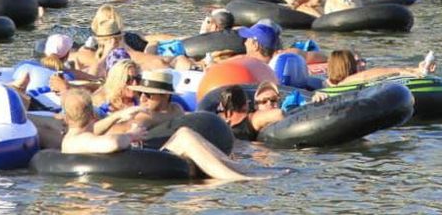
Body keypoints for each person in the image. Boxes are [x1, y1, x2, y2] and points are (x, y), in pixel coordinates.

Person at [59, 87, 256, 181]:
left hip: (136, 161)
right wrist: (131, 135)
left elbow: (93, 130)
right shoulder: (82, 141)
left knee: (183, 134)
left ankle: (240, 168)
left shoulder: (72, 137)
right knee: (185, 136)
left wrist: (117, 116)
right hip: (145, 164)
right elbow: (112, 144)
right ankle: (234, 176)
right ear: (93, 114)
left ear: (67, 118)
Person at [216, 83, 286, 141]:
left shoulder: (219, 119)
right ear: (253, 105)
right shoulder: (254, 118)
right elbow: (279, 114)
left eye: (273, 100)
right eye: (264, 101)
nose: (269, 104)